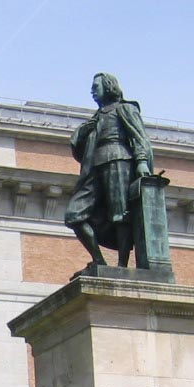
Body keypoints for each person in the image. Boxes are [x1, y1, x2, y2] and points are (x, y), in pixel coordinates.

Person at [64, 72, 153, 268]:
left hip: (118, 159)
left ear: (109, 86)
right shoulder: (96, 118)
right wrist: (85, 132)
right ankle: (99, 260)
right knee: (73, 215)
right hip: (94, 166)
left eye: (95, 87)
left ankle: (122, 265)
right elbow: (78, 142)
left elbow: (139, 137)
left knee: (120, 214)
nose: (92, 92)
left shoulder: (125, 109)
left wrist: (141, 161)